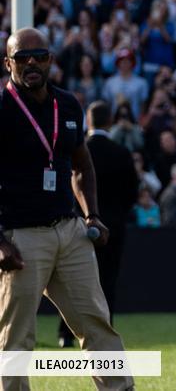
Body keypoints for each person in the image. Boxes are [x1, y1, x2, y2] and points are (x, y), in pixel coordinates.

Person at [0, 28, 134, 391]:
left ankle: (120, 388)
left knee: (96, 322)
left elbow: (82, 166)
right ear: (7, 63)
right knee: (17, 335)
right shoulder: (2, 108)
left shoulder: (68, 104)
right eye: (22, 57)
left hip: (69, 229)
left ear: (50, 61)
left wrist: (91, 214)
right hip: (22, 236)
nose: (31, 63)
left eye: (39, 56)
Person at [57, 100, 140, 348]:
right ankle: (106, 332)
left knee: (71, 282)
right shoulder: (121, 152)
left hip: (77, 222)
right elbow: (132, 193)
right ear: (110, 122)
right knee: (107, 280)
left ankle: (66, 333)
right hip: (113, 225)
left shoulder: (76, 150)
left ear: (88, 122)